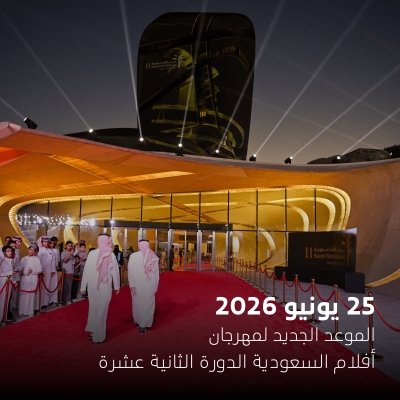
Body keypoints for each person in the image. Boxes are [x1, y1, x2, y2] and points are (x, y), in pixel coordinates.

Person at [80, 233, 120, 344]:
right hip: (104, 285)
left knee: (94, 308)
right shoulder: (110, 254)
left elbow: (86, 271)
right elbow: (115, 272)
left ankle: (94, 332)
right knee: (101, 310)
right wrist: (116, 286)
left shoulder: (93, 254)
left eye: (99, 240)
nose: (97, 242)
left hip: (93, 285)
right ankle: (98, 335)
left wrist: (83, 286)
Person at [127, 239, 159, 334]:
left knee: (137, 303)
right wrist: (156, 285)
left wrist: (132, 285)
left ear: (139, 245)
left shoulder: (133, 256)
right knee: (148, 304)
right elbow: (156, 273)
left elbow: (130, 272)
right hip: (149, 284)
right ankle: (144, 324)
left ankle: (138, 322)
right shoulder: (152, 256)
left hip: (137, 284)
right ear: (148, 245)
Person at [18, 244, 42, 317]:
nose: (31, 251)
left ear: (35, 251)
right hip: (25, 278)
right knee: (23, 294)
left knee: (31, 295)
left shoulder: (37, 259)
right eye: (30, 249)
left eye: (33, 250)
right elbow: (20, 268)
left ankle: (30, 312)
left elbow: (40, 270)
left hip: (33, 278)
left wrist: (32, 271)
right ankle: (22, 311)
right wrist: (21, 271)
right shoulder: (23, 259)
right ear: (28, 250)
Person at [37, 236, 57, 308]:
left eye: (47, 242)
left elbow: (53, 261)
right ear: (41, 242)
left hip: (49, 271)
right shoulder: (38, 250)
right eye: (44, 242)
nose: (46, 243)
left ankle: (46, 302)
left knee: (48, 285)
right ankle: (40, 303)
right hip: (40, 271)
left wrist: (53, 270)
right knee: (41, 287)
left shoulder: (50, 251)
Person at [0, 245, 16, 324]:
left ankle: (4, 318)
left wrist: (14, 281)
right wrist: (10, 273)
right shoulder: (2, 261)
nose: (10, 252)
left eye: (11, 251)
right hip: (3, 281)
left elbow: (11, 273)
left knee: (6, 300)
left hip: (9, 282)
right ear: (4, 253)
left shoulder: (11, 260)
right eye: (8, 251)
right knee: (2, 300)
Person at [61, 241, 75, 305]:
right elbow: (64, 260)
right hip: (66, 272)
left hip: (71, 271)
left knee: (70, 287)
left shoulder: (72, 254)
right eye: (68, 245)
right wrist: (70, 254)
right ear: (66, 246)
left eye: (71, 246)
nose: (70, 247)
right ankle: (64, 300)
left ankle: (68, 299)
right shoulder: (63, 253)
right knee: (66, 287)